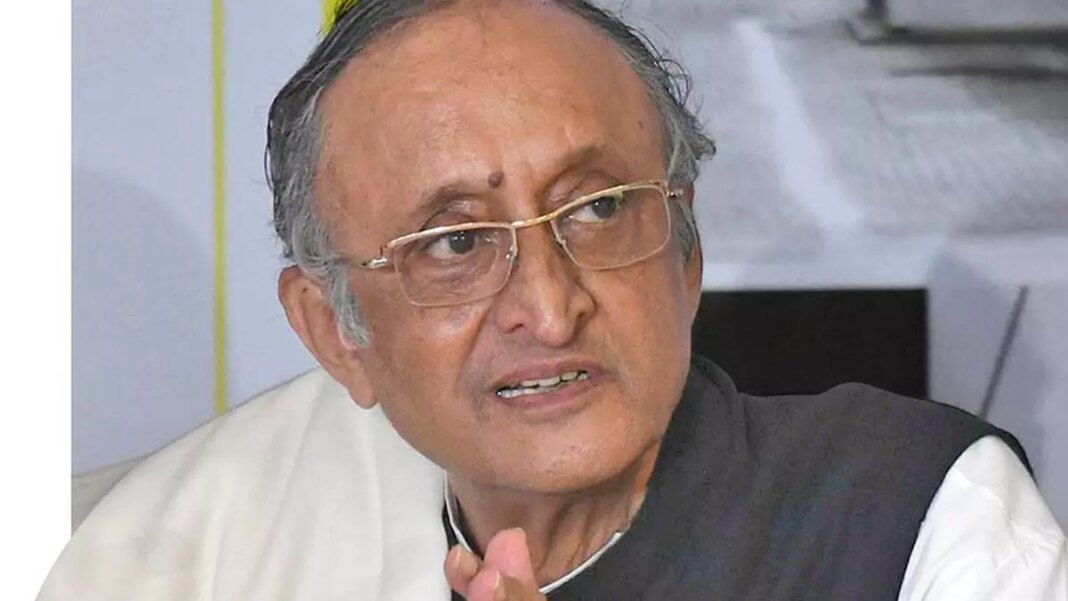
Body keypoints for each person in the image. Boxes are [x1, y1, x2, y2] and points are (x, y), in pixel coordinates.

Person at [43, 0, 1067, 599]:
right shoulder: (226, 558)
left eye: (600, 208)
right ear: (334, 333)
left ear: (687, 250)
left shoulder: (916, 513)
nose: (548, 300)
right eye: (454, 241)